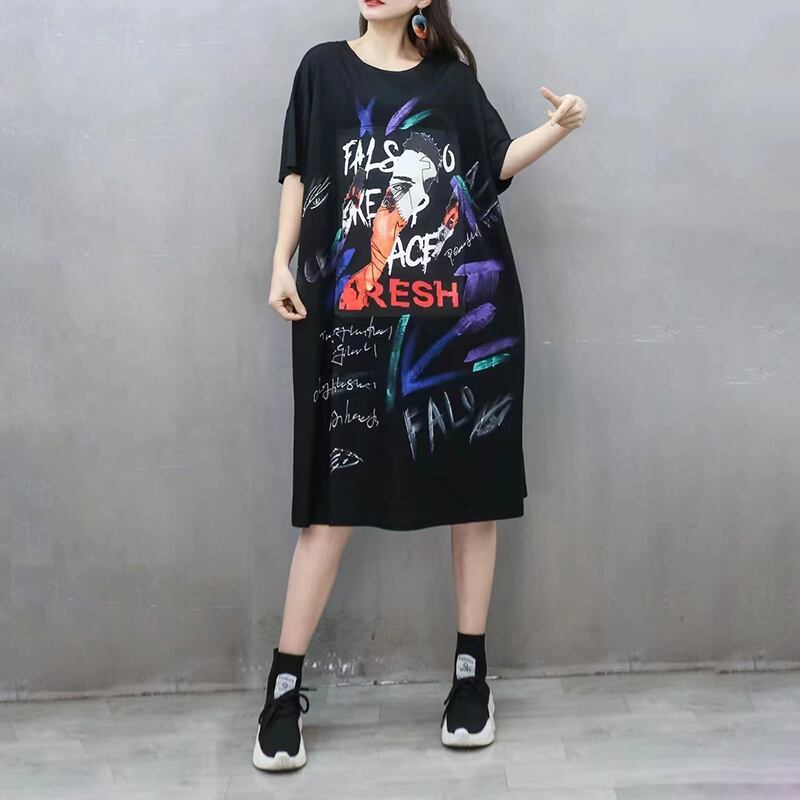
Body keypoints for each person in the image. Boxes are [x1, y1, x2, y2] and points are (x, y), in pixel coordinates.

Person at [254, 0, 587, 772]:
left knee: (472, 493)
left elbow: (494, 163)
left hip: (458, 323)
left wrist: (560, 128)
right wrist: (279, 261)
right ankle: (283, 688)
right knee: (330, 506)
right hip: (350, 324)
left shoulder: (451, 82)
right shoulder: (321, 71)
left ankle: (470, 676)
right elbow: (298, 171)